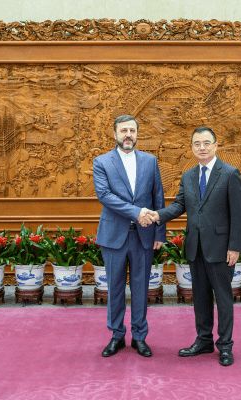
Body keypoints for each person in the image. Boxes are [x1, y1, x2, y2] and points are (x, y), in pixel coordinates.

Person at [145, 126, 241, 366]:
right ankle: (204, 340)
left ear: (216, 145)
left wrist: (234, 247)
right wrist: (157, 215)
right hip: (195, 247)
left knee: (223, 298)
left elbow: (238, 214)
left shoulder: (230, 174)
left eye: (206, 143)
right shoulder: (189, 176)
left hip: (221, 249)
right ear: (191, 147)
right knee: (200, 297)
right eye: (197, 144)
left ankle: (225, 346)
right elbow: (179, 205)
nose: (202, 147)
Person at [93, 114, 166, 358]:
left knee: (140, 288)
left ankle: (139, 337)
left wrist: (159, 232)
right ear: (114, 134)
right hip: (114, 236)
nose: (128, 135)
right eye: (123, 130)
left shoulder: (150, 161)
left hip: (143, 237)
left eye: (132, 131)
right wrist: (137, 212)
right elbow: (105, 196)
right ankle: (116, 335)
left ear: (137, 134)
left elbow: (158, 197)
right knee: (114, 288)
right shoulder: (102, 162)